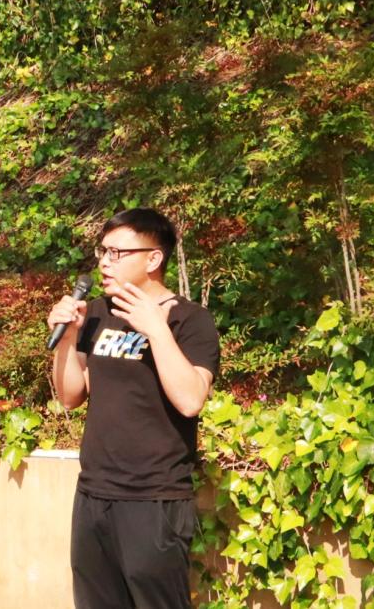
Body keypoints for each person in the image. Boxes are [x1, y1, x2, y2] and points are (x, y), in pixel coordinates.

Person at [48, 208, 220, 609]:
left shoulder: (190, 321)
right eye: (102, 251)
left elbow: (191, 400)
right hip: (94, 494)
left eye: (117, 253)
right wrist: (68, 339)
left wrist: (156, 329)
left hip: (154, 500)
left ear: (153, 258)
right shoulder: (96, 313)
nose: (104, 263)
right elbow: (70, 396)